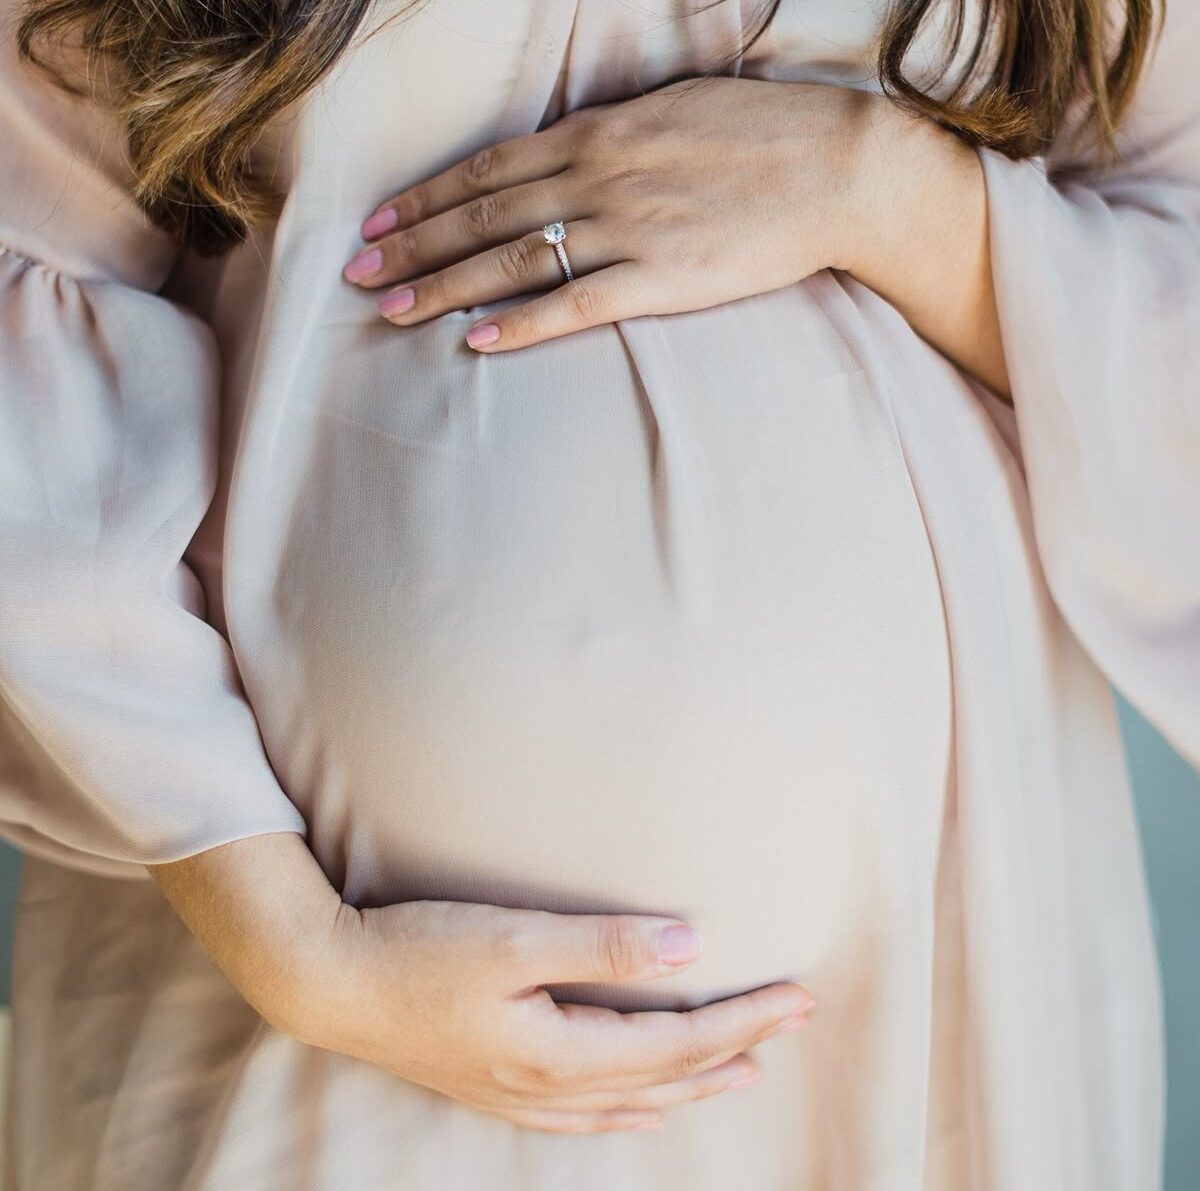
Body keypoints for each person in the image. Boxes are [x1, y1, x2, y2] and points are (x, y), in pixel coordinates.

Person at [1, 0, 1196, 1187]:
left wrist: (886, 190)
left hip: (924, 986)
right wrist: (293, 949)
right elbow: (27, 274)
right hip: (295, 1004)